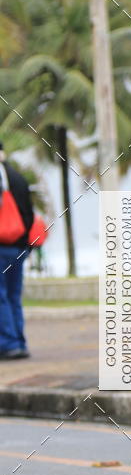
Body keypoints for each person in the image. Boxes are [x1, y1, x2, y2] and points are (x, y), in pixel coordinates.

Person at [0, 142, 34, 359]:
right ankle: (19, 342)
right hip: (19, 246)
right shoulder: (18, 177)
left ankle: (8, 343)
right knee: (13, 295)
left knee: (1, 296)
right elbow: (29, 214)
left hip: (2, 246)